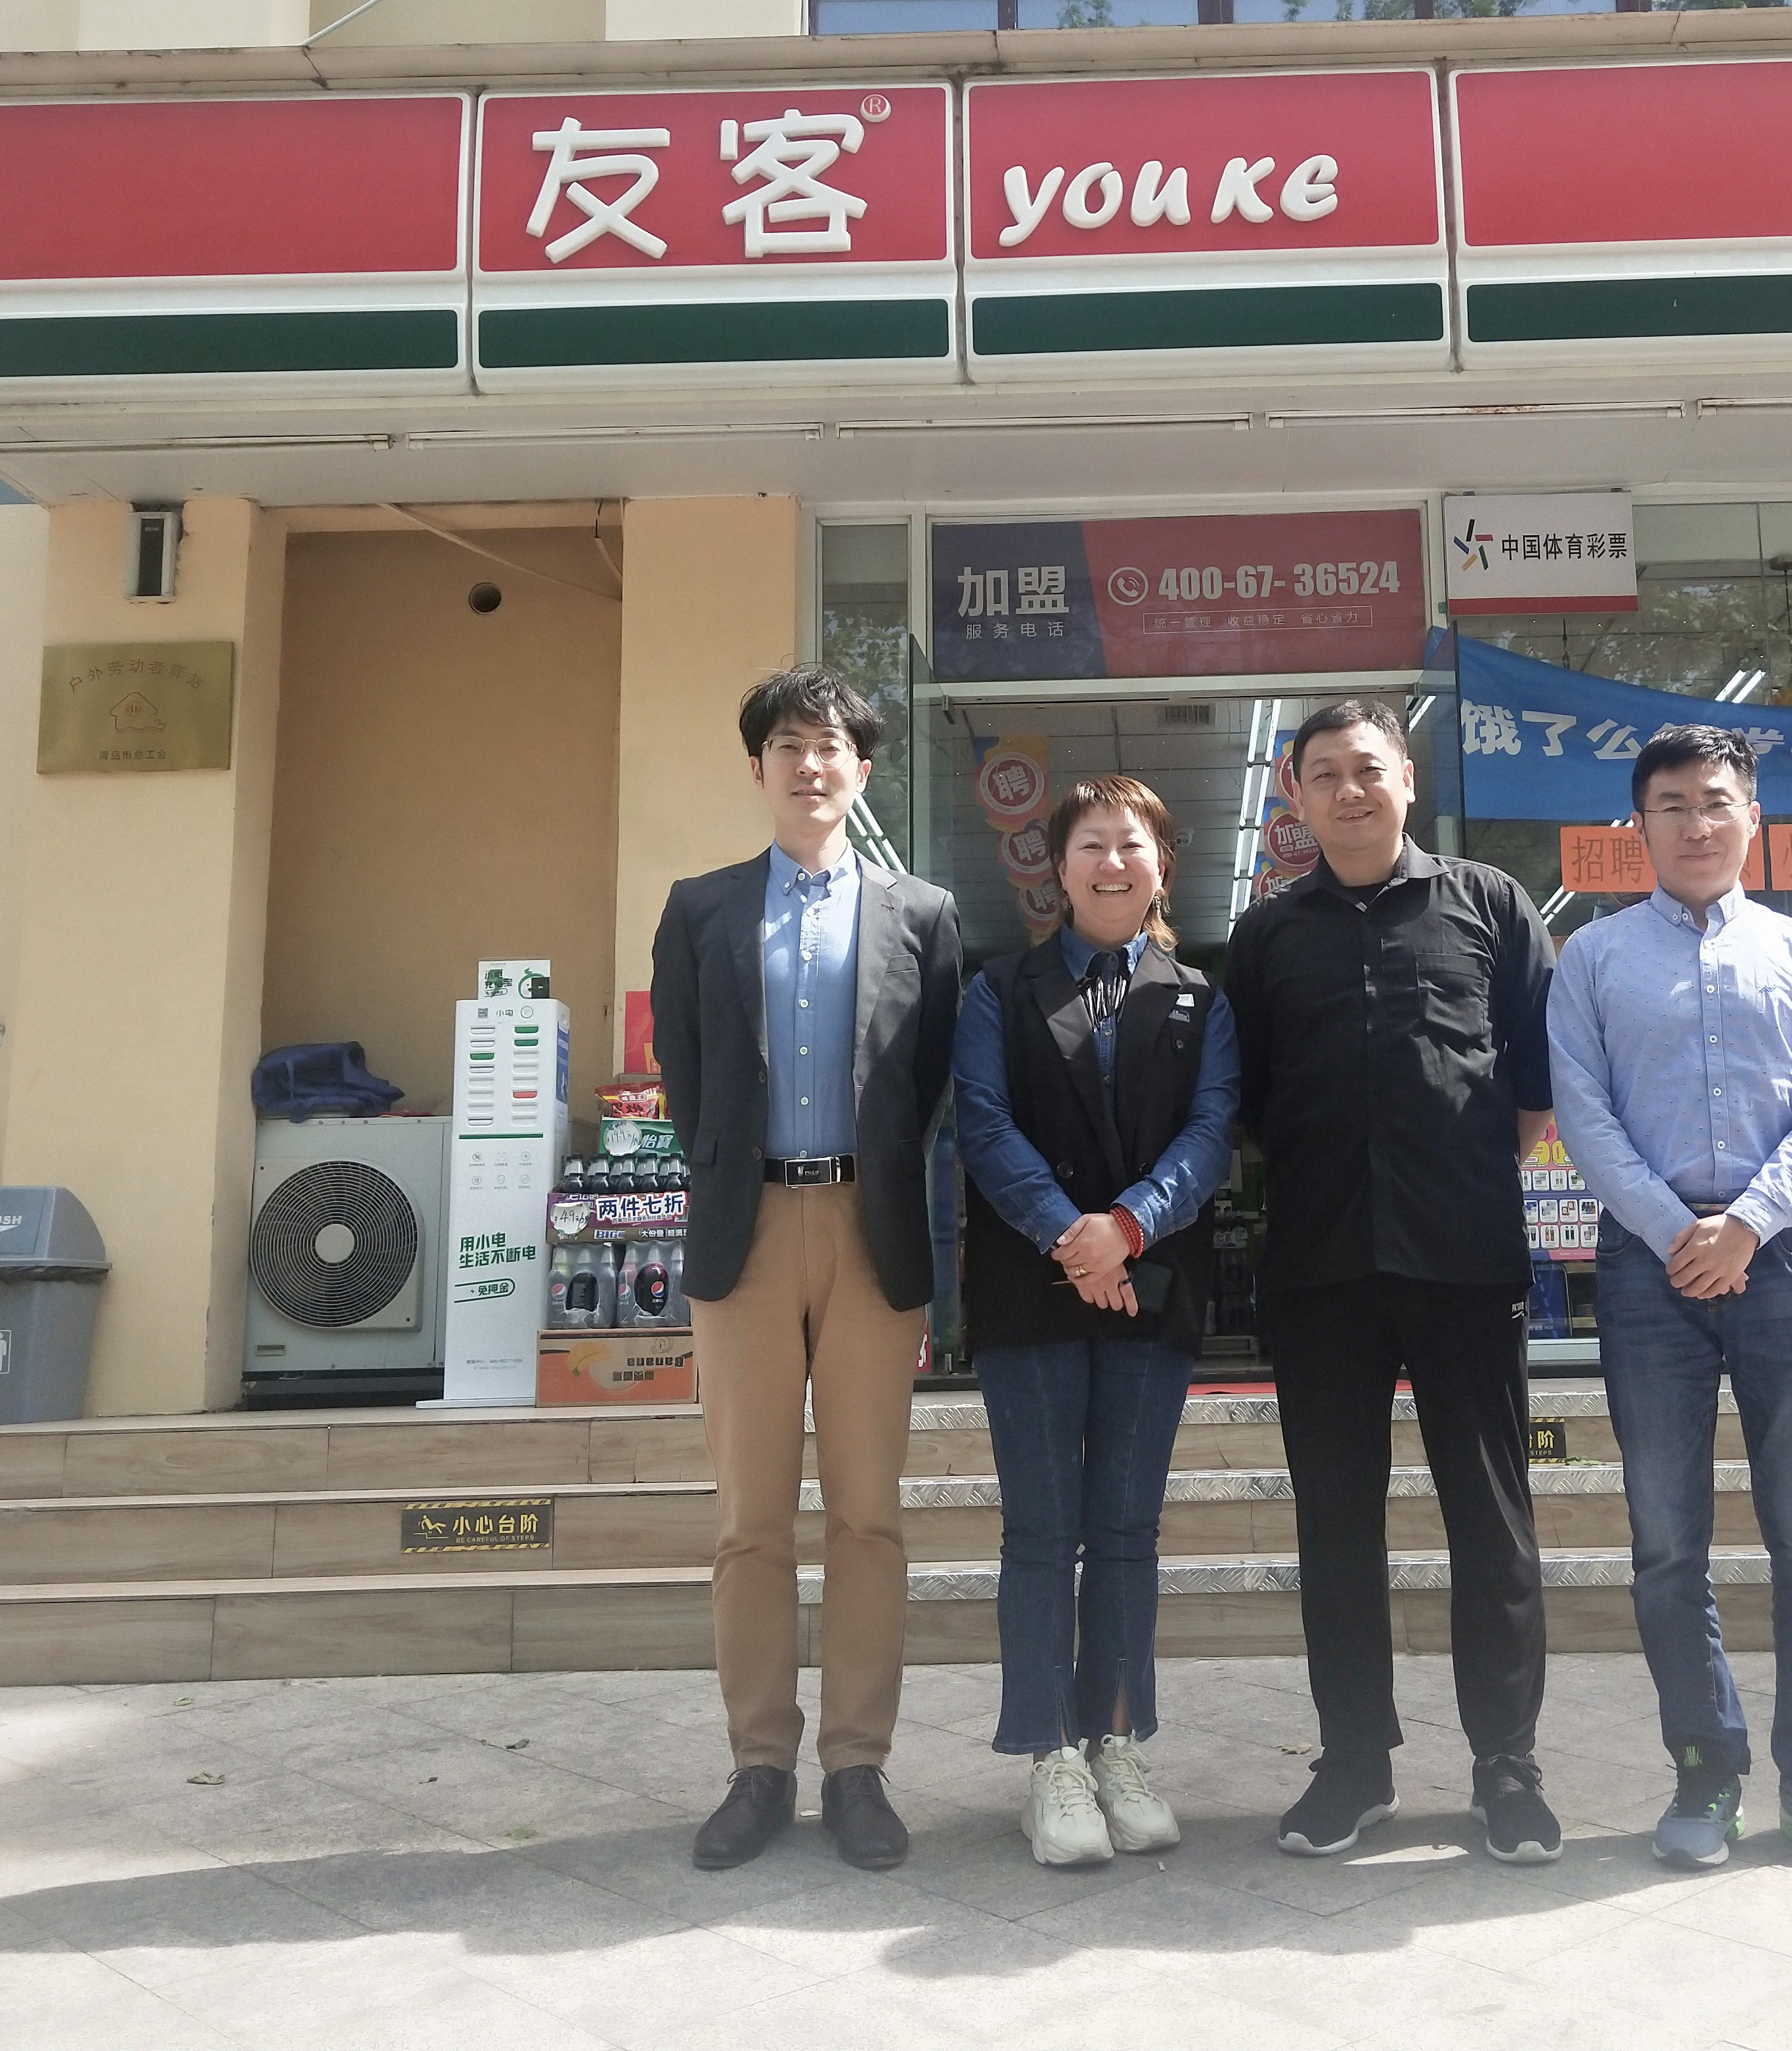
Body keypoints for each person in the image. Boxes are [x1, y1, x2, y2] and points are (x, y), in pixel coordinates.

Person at [1223, 696, 1563, 1867]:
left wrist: (1454, 1171)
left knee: (1492, 1517)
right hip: (1321, 1266)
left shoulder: (1489, 904)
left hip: (1465, 1259)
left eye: (1367, 768)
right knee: (1335, 1522)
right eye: (1324, 774)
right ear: (1297, 797)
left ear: (1406, 779)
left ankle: (1506, 1766)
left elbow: (1536, 1081)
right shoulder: (1267, 935)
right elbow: (1248, 1100)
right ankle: (1353, 1762)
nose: (1349, 790)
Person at [1544, 722, 1792, 1882]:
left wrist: (1746, 1225)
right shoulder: (1593, 960)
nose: (1697, 823)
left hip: (1784, 1263)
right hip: (1648, 1272)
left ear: (1753, 819)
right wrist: (1673, 1231)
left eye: (1717, 801)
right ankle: (1705, 1767)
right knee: (1665, 1543)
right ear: (1638, 826)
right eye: (1673, 805)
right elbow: (1583, 1111)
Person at [649, 665, 962, 1873]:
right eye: (788, 745)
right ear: (759, 768)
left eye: (831, 746)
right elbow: (688, 1079)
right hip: (748, 1234)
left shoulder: (922, 914)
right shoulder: (700, 909)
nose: (810, 764)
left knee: (869, 1514)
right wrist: (745, 1182)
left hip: (871, 1232)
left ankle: (858, 1766)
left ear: (862, 771)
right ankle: (760, 1765)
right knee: (751, 1520)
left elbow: (928, 1084)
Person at [953, 775, 1240, 1867]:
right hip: (1030, 1289)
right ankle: (1051, 1758)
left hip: (1151, 1285)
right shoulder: (999, 990)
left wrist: (1126, 1227)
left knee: (1124, 1528)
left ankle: (1116, 1740)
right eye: (1090, 845)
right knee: (1041, 1529)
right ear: (1057, 867)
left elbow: (1211, 1134)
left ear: (1162, 865)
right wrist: (1071, 1236)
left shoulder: (1201, 1000)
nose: (1111, 863)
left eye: (1131, 844)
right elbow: (983, 1123)